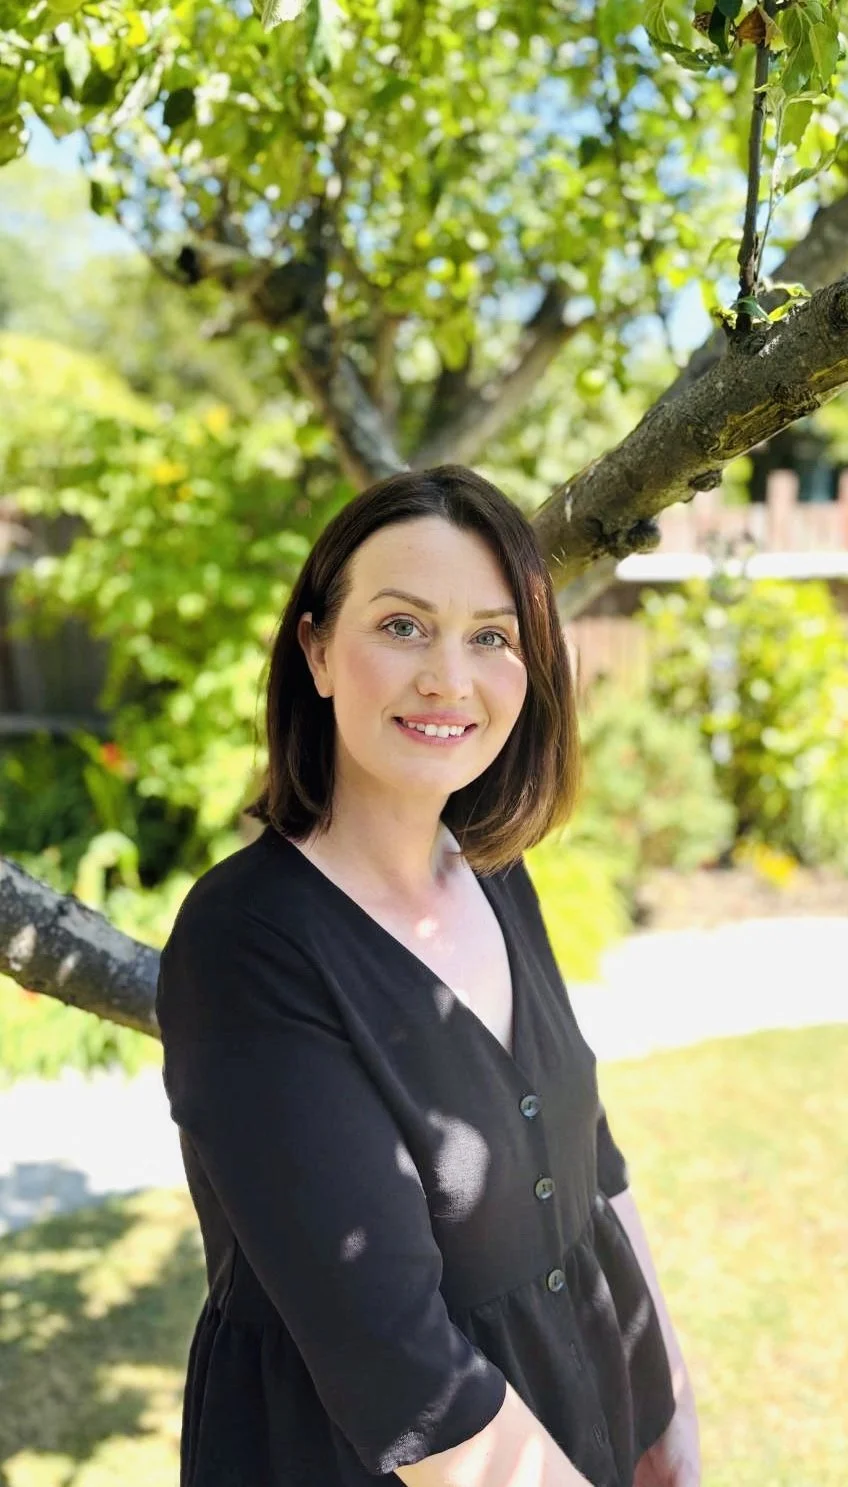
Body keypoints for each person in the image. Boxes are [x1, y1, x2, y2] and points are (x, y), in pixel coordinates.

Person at [156, 465, 701, 1487]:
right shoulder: (245, 942)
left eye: (490, 636)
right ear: (317, 647)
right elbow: (401, 1366)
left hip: (576, 1431)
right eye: (402, 624)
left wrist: (662, 1393)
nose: (449, 678)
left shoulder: (495, 874)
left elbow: (592, 1157)